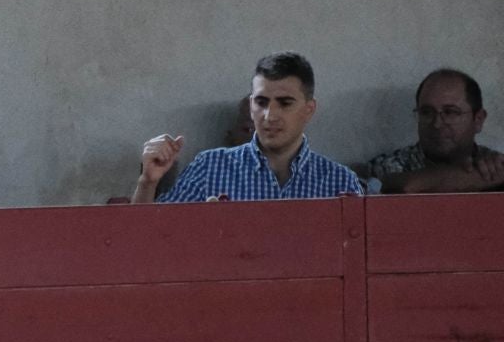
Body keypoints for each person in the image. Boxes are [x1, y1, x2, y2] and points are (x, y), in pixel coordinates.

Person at [130, 53, 362, 203]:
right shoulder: (210, 167)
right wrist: (148, 182)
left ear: (309, 109)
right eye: (261, 102)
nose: (270, 116)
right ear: (251, 106)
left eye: (285, 103)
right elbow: (148, 240)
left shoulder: (339, 182)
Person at [358, 69, 503, 194]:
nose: (437, 124)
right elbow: (408, 187)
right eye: (427, 112)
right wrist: (484, 176)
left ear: (478, 120)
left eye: (450, 112)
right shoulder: (389, 165)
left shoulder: (493, 162)